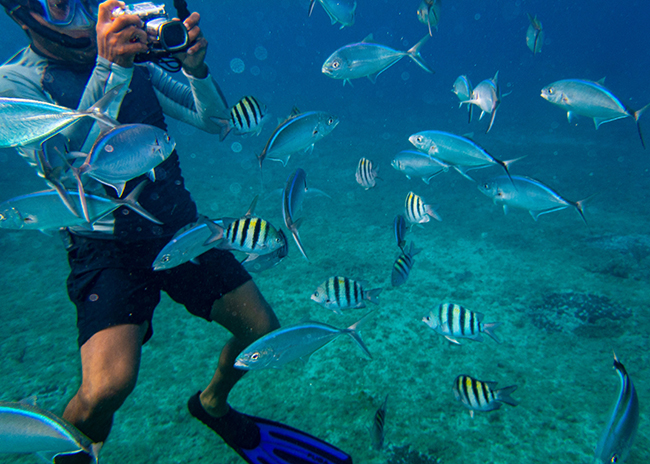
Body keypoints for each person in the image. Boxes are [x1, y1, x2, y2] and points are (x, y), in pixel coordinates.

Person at [0, 1, 354, 463]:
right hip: (105, 244)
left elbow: (214, 121)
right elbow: (66, 173)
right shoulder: (16, 86)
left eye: (87, 2)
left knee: (261, 331)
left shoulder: (136, 58)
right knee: (107, 386)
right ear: (22, 14)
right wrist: (110, 69)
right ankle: (73, 454)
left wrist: (196, 69)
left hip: (180, 228)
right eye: (63, 7)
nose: (84, 18)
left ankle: (212, 402)